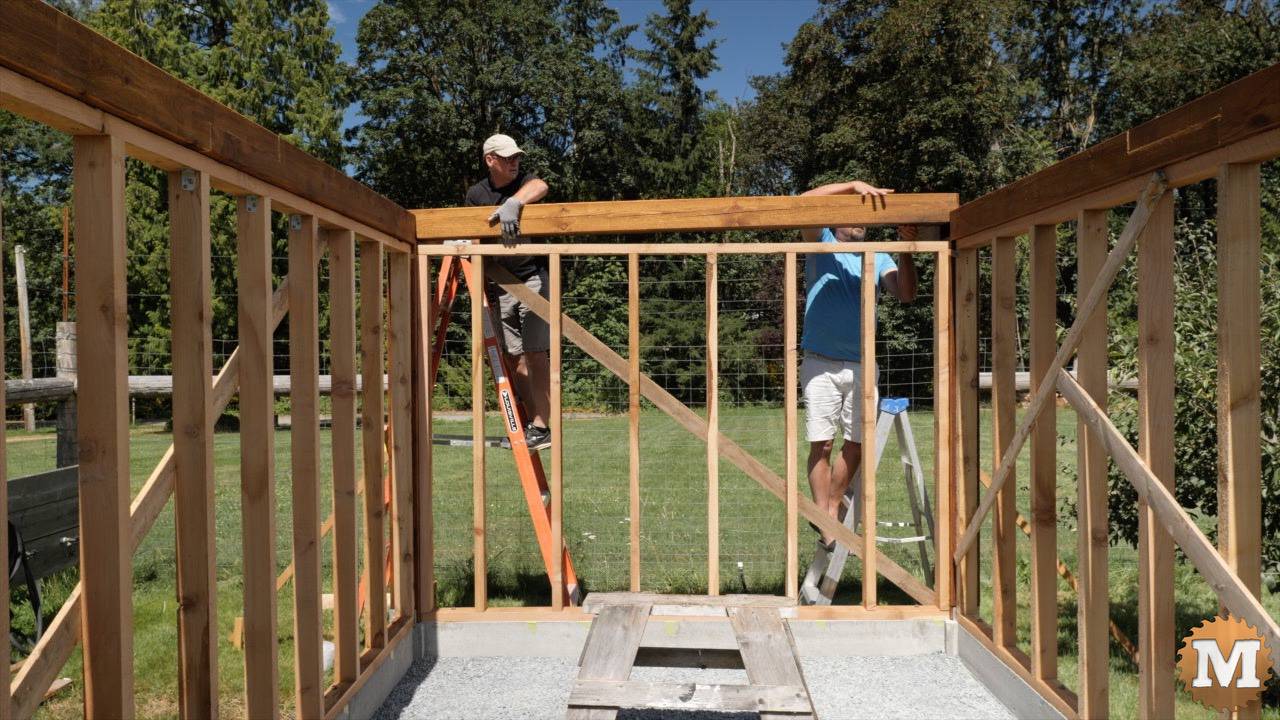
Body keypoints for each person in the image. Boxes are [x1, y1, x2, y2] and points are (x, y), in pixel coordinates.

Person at [798, 179, 918, 549]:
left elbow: (907, 294)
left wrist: (906, 248)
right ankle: (825, 515)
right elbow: (801, 202)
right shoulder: (822, 244)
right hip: (819, 360)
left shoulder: (877, 254)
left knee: (857, 444)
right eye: (853, 212)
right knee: (821, 443)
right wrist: (851, 186)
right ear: (836, 222)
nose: (860, 220)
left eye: (864, 213)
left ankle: (832, 505)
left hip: (862, 363)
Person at [465, 133, 553, 450]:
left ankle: (544, 425)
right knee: (515, 358)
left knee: (535, 352)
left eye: (517, 157)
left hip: (533, 275)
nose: (515, 163)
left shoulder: (523, 183)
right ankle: (534, 424)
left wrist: (514, 203)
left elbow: (541, 185)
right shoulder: (476, 194)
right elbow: (470, 232)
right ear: (490, 160)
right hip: (500, 281)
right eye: (507, 158)